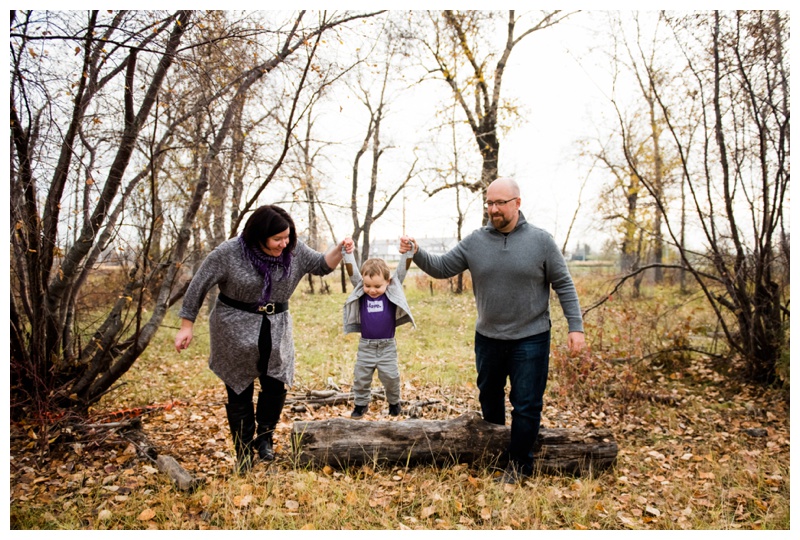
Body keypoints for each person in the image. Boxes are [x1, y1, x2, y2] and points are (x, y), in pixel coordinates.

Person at [400, 177, 585, 484]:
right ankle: (497, 457)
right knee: (489, 399)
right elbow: (443, 268)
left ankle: (520, 465)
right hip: (488, 338)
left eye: (500, 203)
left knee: (526, 404)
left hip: (531, 337)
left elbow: (563, 283)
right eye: (489, 203)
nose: (494, 209)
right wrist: (416, 250)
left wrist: (575, 327)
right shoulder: (475, 242)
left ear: (517, 203)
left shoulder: (541, 241)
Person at [174, 205, 354, 474]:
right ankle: (244, 451)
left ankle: (265, 439)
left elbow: (320, 265)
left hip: (276, 327)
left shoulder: (292, 249)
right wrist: (186, 326)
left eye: (287, 236)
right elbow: (199, 284)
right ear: (259, 236)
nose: (284, 243)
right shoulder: (230, 252)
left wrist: (340, 248)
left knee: (275, 385)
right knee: (239, 389)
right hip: (233, 328)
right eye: (277, 239)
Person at [342, 246, 416, 418]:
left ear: (388, 282)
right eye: (368, 285)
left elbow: (402, 270)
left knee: (391, 378)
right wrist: (347, 253)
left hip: (387, 347)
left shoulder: (391, 291)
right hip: (366, 347)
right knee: (361, 379)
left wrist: (409, 251)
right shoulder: (362, 292)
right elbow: (352, 272)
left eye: (377, 286)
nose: (372, 290)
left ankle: (394, 403)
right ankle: (360, 405)